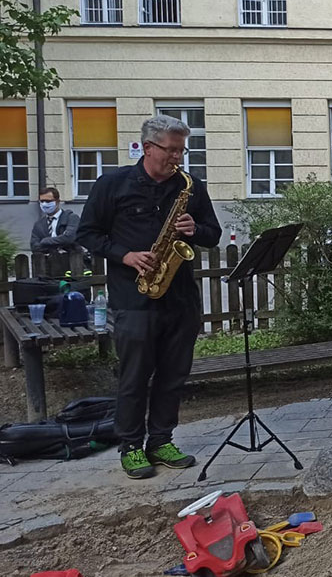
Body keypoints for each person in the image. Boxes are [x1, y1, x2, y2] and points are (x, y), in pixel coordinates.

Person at [77, 114, 221, 479]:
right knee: (135, 375)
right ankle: (130, 445)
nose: (177, 158)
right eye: (171, 151)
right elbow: (88, 234)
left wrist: (195, 228)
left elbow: (213, 234)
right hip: (134, 297)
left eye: (181, 150)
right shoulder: (112, 185)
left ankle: (161, 439)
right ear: (147, 147)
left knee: (173, 374)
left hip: (180, 297)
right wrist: (125, 255)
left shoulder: (190, 186)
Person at [30, 187, 81, 255]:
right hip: (48, 263)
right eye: (42, 201)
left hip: (71, 261)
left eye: (48, 201)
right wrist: (57, 247)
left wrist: (45, 241)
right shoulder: (39, 224)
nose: (44, 204)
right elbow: (34, 246)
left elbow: (69, 238)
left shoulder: (71, 218)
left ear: (57, 201)